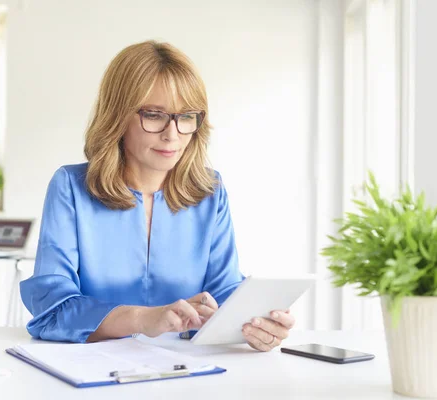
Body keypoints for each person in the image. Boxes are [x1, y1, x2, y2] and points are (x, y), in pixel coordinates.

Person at [20, 40, 295, 352]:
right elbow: (53, 309)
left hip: (187, 371)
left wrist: (256, 324)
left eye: (186, 116)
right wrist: (143, 319)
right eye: (154, 115)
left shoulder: (210, 190)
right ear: (118, 116)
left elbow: (222, 292)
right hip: (90, 373)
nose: (172, 134)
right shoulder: (70, 187)